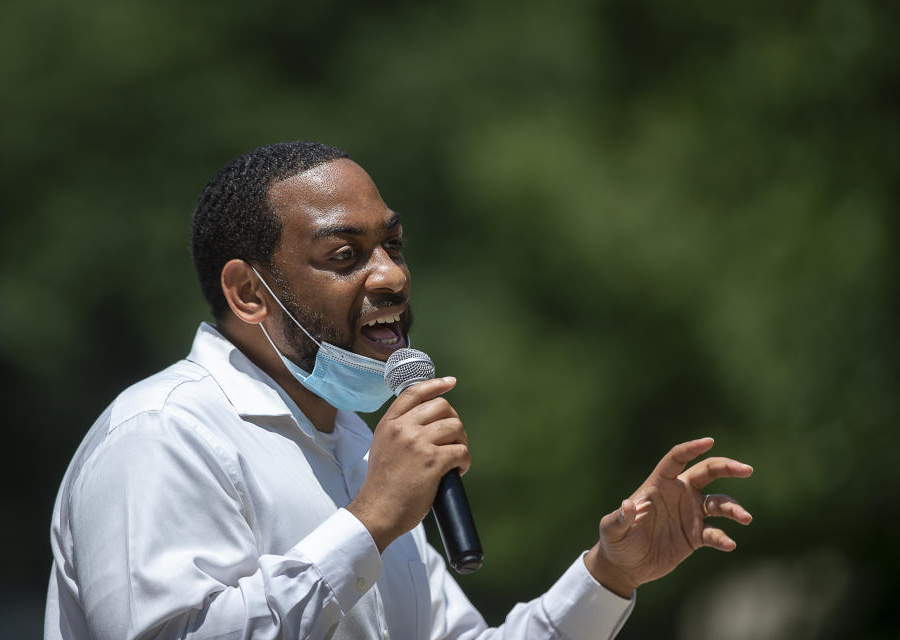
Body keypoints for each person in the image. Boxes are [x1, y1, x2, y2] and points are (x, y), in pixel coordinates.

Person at [44, 141, 754, 639]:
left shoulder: (361, 446)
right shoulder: (163, 435)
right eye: (345, 256)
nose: (391, 276)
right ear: (248, 293)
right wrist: (370, 520)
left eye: (393, 246)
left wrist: (608, 575)